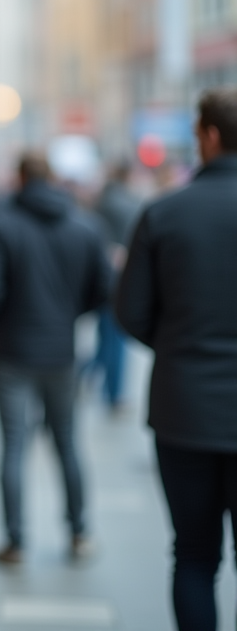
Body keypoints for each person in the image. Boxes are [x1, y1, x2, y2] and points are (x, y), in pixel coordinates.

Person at [116, 88, 237, 631]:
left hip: (184, 409)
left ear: (208, 136)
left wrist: (180, 346)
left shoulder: (164, 213)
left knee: (193, 554)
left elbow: (131, 312)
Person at [0, 152, 111, 565]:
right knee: (67, 442)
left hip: (13, 352)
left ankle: (15, 541)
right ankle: (79, 531)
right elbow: (104, 288)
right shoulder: (84, 225)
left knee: (14, 447)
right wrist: (68, 313)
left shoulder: (2, 224)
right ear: (52, 178)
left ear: (19, 178)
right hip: (62, 352)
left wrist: (4, 317)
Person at [90, 162, 143, 411]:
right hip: (121, 281)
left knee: (106, 339)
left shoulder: (99, 203)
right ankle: (113, 394)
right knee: (116, 342)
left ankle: (89, 376)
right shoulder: (130, 205)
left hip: (103, 281)